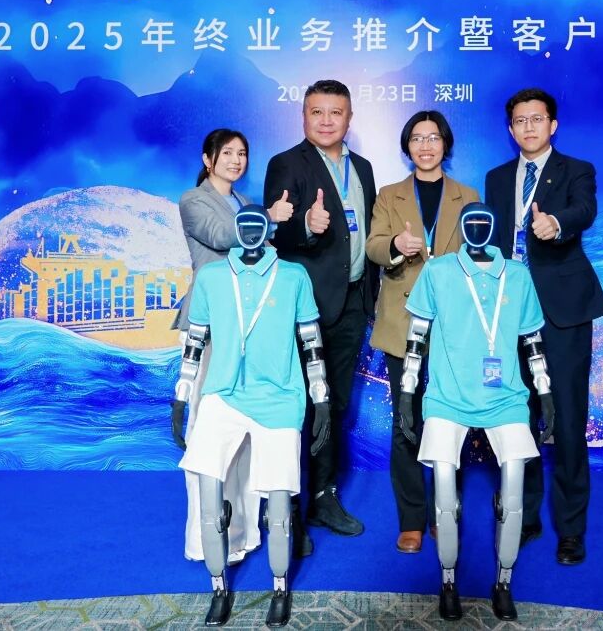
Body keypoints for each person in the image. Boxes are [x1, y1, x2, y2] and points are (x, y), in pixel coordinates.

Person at [172, 204, 331, 627]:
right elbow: (196, 339)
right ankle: (218, 586)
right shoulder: (212, 277)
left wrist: (321, 398)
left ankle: (279, 587)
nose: (249, 233)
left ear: (267, 230)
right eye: (242, 226)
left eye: (257, 226)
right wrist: (182, 394)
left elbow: (311, 341)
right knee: (209, 493)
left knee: (278, 504)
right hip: (222, 395)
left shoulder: (293, 276)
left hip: (279, 398)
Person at [398, 202, 554, 621]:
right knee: (444, 493)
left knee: (514, 489)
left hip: (506, 397)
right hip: (447, 396)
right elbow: (416, 338)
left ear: (495, 227)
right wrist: (407, 394)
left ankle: (503, 581)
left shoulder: (517, 276)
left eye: (486, 222)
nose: (479, 228)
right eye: (472, 223)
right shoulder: (438, 271)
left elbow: (533, 342)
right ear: (463, 228)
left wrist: (545, 393)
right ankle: (448, 580)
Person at [483, 87, 603, 566]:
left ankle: (571, 530)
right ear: (510, 129)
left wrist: (555, 223)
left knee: (569, 420)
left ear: (552, 125)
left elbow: (584, 211)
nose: (529, 127)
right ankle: (526, 515)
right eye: (520, 121)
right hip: (509, 312)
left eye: (537, 119)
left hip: (563, 312)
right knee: (519, 418)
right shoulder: (497, 179)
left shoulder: (577, 170)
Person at [263, 80, 378, 545]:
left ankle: (324, 498)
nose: (326, 120)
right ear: (303, 116)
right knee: (299, 405)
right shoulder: (287, 163)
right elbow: (276, 230)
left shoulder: (363, 168)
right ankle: (288, 507)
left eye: (336, 112)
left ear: (349, 118)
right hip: (305, 307)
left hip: (352, 302)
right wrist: (306, 226)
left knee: (336, 404)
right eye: (317, 112)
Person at [177, 129, 293, 564]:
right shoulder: (193, 200)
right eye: (227, 153)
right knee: (208, 433)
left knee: (246, 431)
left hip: (249, 329)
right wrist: (271, 218)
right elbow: (226, 235)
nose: (236, 160)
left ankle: (241, 534)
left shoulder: (246, 202)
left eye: (242, 153)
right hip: (209, 327)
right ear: (208, 159)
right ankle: (203, 538)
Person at [365, 110, 478, 554]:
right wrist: (396, 245)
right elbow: (373, 247)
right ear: (407, 146)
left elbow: (479, 255)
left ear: (445, 144)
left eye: (433, 138)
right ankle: (412, 519)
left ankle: (443, 512)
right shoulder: (388, 195)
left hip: (453, 327)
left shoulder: (468, 196)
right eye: (417, 138)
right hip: (403, 322)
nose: (425, 146)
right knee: (406, 421)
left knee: (450, 420)